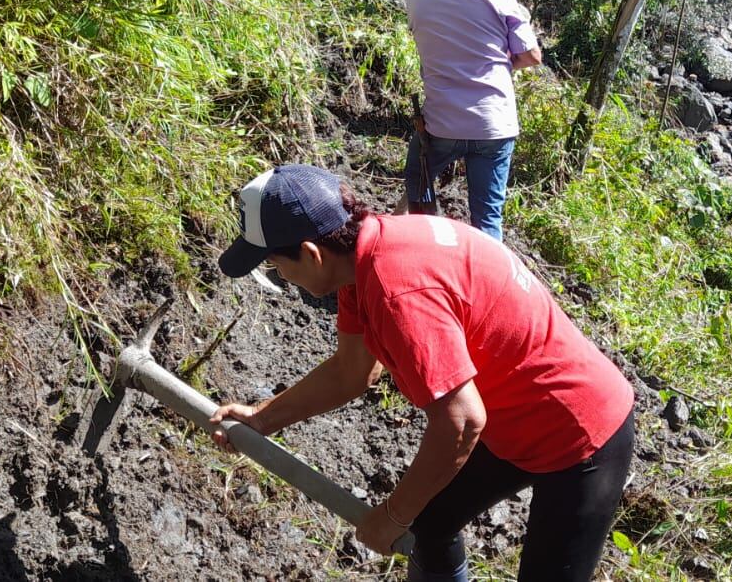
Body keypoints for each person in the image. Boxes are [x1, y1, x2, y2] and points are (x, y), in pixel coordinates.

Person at [211, 164, 636, 582]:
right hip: (515, 417)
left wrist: (392, 516)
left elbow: (462, 419)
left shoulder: (397, 291)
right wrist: (263, 418)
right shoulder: (366, 258)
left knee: (419, 518)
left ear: (311, 253)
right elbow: (351, 372)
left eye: (275, 264)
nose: (281, 276)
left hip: (581, 434)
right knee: (429, 524)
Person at [404, 0, 541, 241]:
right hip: (493, 123)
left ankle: (426, 235)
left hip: (443, 123)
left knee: (417, 178)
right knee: (487, 217)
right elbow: (532, 56)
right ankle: (485, 284)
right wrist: (501, 64)